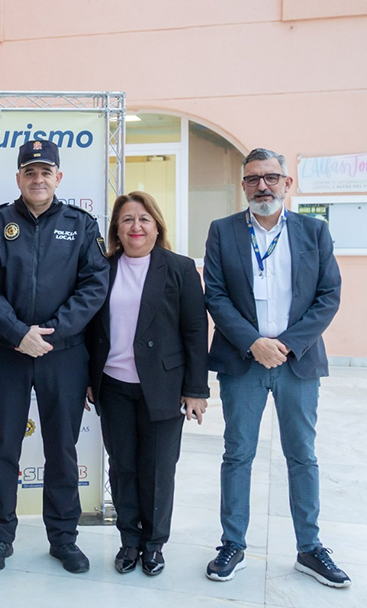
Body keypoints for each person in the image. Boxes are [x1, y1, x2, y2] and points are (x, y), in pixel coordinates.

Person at [203, 148, 348, 587]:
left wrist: (283, 344)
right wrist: (253, 342)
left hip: (296, 361)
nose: (261, 186)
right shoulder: (223, 231)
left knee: (302, 455)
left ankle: (309, 547)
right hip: (241, 361)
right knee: (238, 454)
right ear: (243, 185)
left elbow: (329, 296)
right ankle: (233, 544)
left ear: (287, 183)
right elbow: (215, 294)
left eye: (270, 177)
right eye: (252, 179)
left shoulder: (314, 232)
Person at [0, 138, 109, 573]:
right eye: (30, 172)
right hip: (8, 353)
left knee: (62, 449)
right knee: (3, 447)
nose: (38, 178)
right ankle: (0, 536)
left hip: (63, 354)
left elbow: (94, 285)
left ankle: (63, 537)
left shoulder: (81, 225)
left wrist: (50, 332)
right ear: (18, 178)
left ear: (58, 178)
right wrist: (16, 333)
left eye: (46, 171)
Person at [85, 191, 209, 576]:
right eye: (127, 220)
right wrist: (89, 379)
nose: (135, 227)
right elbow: (91, 329)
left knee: (157, 469)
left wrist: (196, 390)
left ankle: (154, 545)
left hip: (164, 387)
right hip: (114, 385)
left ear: (157, 225)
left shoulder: (179, 268)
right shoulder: (101, 269)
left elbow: (194, 330)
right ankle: (129, 542)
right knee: (122, 468)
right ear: (116, 230)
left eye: (143, 219)